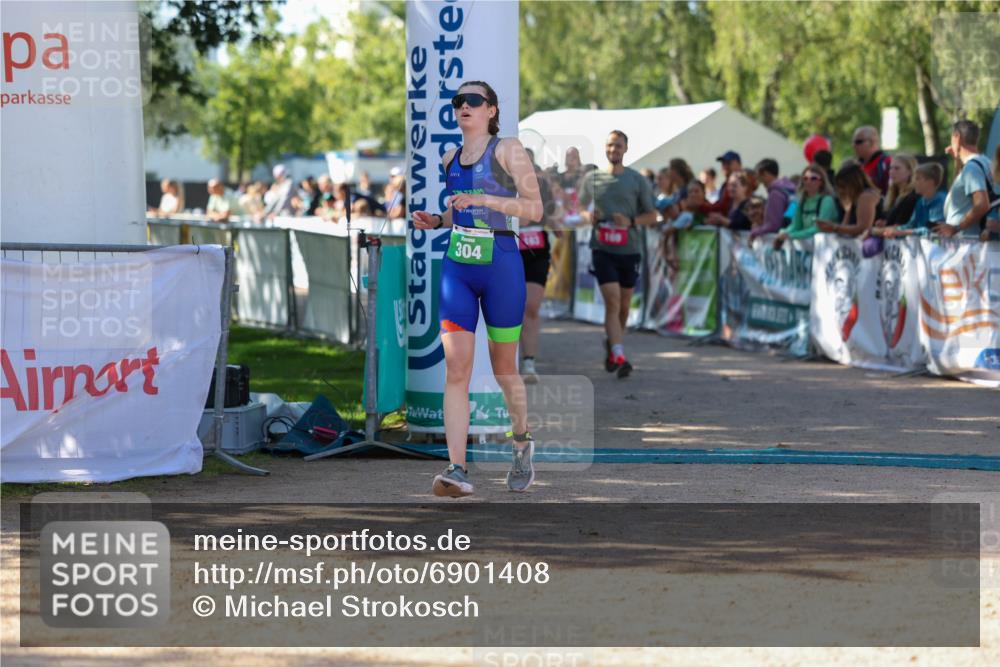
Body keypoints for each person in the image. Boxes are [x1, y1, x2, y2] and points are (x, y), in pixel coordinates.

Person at [411, 80, 542, 497]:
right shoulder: (449, 157)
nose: (463, 106)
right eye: (457, 101)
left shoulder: (508, 150)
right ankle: (456, 468)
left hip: (501, 265)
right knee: (457, 371)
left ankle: (521, 442)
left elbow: (535, 209)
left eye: (473, 100)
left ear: (491, 109)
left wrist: (490, 201)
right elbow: (459, 215)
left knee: (505, 368)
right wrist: (436, 220)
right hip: (459, 269)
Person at [578, 130, 657, 379]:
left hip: (629, 250)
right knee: (612, 302)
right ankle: (621, 356)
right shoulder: (592, 178)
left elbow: (653, 215)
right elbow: (578, 207)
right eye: (610, 146)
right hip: (602, 248)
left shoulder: (636, 180)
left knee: (623, 307)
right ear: (605, 148)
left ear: (625, 149)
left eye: (618, 146)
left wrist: (631, 221)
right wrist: (586, 216)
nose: (614, 150)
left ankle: (613, 345)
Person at [519, 149, 560, 384]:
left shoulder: (542, 187)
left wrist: (558, 223)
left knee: (531, 306)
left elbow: (553, 218)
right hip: (509, 252)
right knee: (509, 307)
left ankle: (529, 362)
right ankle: (507, 359)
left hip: (537, 250)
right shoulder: (503, 187)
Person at [935, 120, 994, 239]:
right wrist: (957, 160)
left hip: (968, 244)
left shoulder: (971, 168)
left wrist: (956, 228)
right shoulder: (984, 162)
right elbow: (960, 191)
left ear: (957, 137)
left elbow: (982, 204)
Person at [774, 164, 839, 248]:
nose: (808, 181)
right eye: (805, 178)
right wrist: (783, 232)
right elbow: (796, 226)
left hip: (825, 249)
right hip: (807, 249)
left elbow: (819, 229)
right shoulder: (801, 201)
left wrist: (791, 235)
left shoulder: (827, 200)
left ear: (821, 182)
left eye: (813, 178)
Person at [874, 162, 945, 238]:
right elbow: (911, 225)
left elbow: (933, 230)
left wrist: (902, 232)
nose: (914, 182)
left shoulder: (940, 201)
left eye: (917, 178)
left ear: (930, 182)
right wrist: (891, 230)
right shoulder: (920, 201)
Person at [817, 163, 883, 237]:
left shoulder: (866, 197)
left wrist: (834, 227)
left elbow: (863, 228)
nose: (840, 190)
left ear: (853, 183)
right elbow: (844, 227)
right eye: (838, 187)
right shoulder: (854, 200)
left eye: (842, 186)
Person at [751, 158, 796, 240]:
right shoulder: (787, 189)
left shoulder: (775, 194)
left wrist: (755, 232)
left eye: (759, 176)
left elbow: (773, 225)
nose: (759, 181)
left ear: (765, 173)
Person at [879, 154, 919, 228]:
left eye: (897, 168)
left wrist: (874, 230)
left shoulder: (913, 195)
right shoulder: (893, 194)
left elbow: (901, 226)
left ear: (910, 171)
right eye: (890, 168)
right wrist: (884, 223)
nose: (891, 172)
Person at [852, 126, 892, 194]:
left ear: (872, 142)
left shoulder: (888, 163)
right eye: (853, 142)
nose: (853, 145)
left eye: (858, 142)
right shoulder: (855, 166)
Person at [701, 150, 742, 216]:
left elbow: (723, 207)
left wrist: (700, 206)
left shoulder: (743, 181)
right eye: (723, 163)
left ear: (738, 164)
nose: (725, 166)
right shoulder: (725, 184)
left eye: (728, 163)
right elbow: (720, 205)